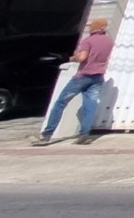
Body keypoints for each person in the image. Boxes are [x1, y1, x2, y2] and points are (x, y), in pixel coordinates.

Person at [30, 18, 113, 146]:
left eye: (91, 26)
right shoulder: (108, 42)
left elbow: (82, 57)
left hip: (83, 76)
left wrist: (72, 58)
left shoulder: (88, 41)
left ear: (94, 28)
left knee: (60, 103)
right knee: (89, 105)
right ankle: (84, 134)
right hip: (98, 77)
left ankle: (46, 134)